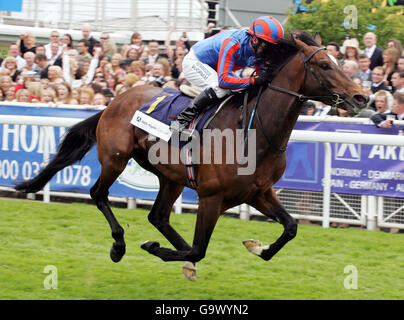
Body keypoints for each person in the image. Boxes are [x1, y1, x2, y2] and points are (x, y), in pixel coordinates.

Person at [170, 15, 284, 135]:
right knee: (220, 89)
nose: (269, 51)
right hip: (195, 62)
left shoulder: (259, 49)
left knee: (240, 89)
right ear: (255, 39)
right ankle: (179, 122)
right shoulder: (232, 44)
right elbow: (224, 81)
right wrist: (253, 80)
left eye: (273, 47)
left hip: (215, 67)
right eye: (267, 45)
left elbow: (263, 78)